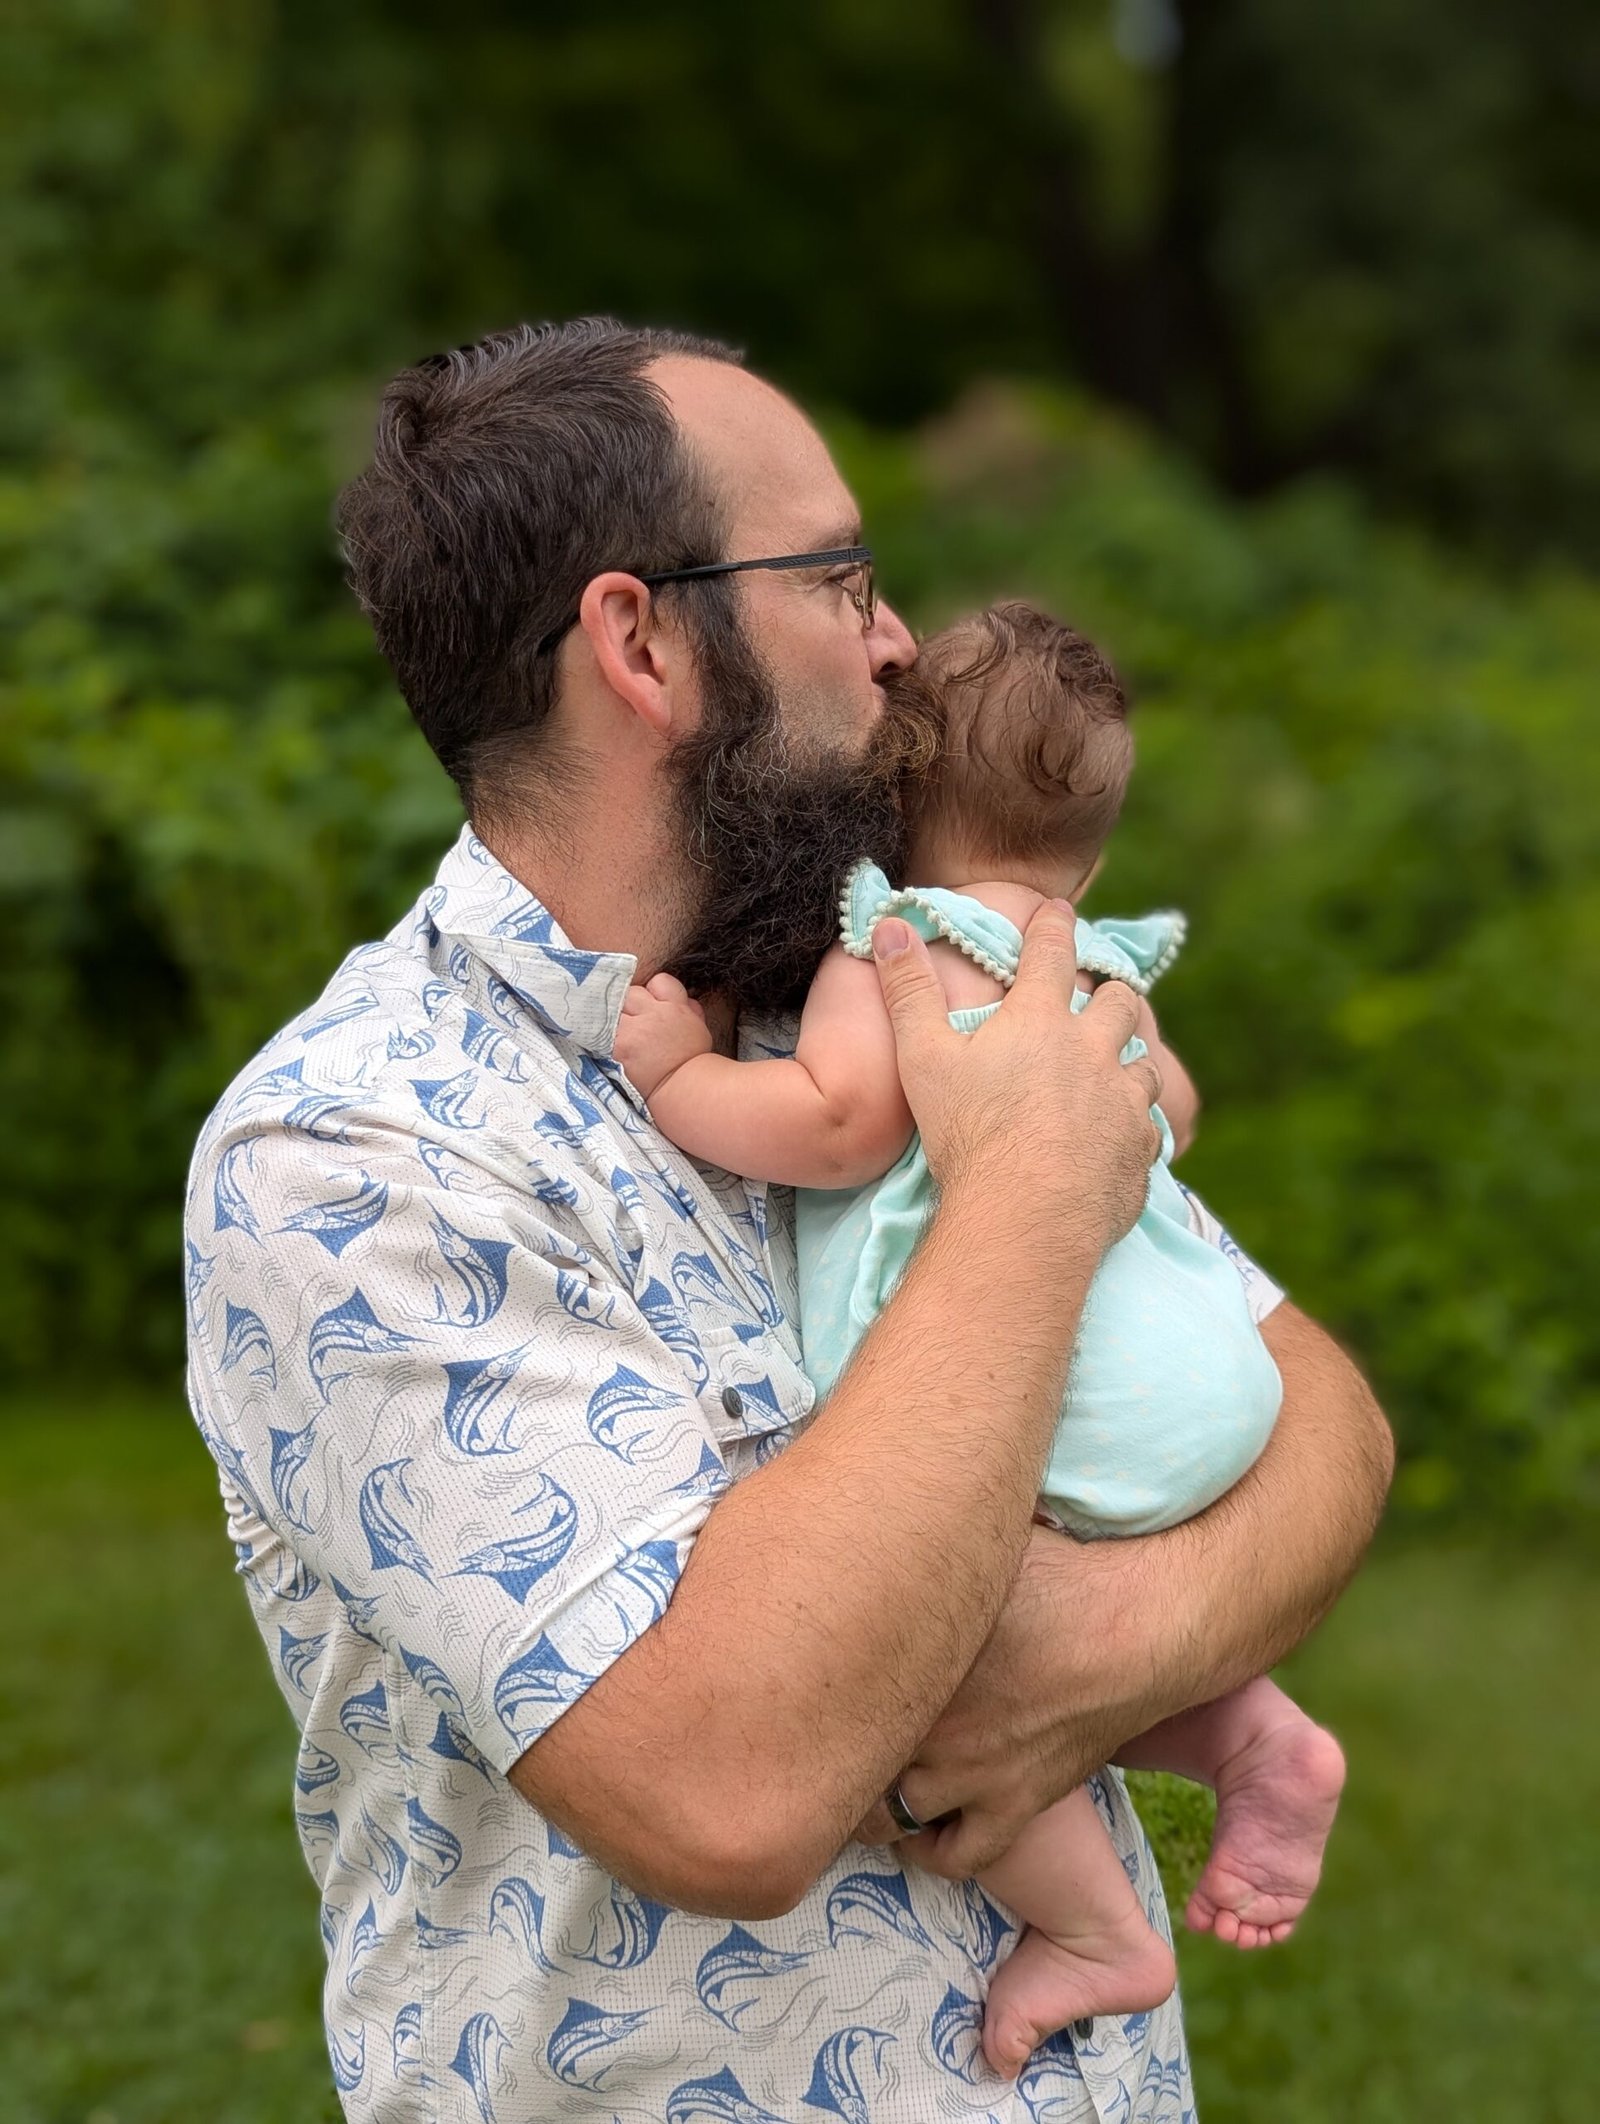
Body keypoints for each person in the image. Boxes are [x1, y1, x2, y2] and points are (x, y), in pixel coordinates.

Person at [184, 319, 1393, 2124]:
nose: (899, 639)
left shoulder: (868, 985)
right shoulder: (353, 1154)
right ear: (643, 640)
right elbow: (729, 1791)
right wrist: (1031, 1196)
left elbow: (1331, 1429)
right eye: (839, 575)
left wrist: (1072, 1665)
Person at [613, 603, 1348, 2078]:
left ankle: (1089, 1933)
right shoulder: (1094, 972)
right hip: (1207, 1383)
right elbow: (1177, 1115)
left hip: (1075, 1396)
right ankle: (1251, 1731)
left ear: (893, 798)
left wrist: (682, 1073)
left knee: (915, 1635)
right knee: (1058, 1590)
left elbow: (831, 1124)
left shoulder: (898, 947)